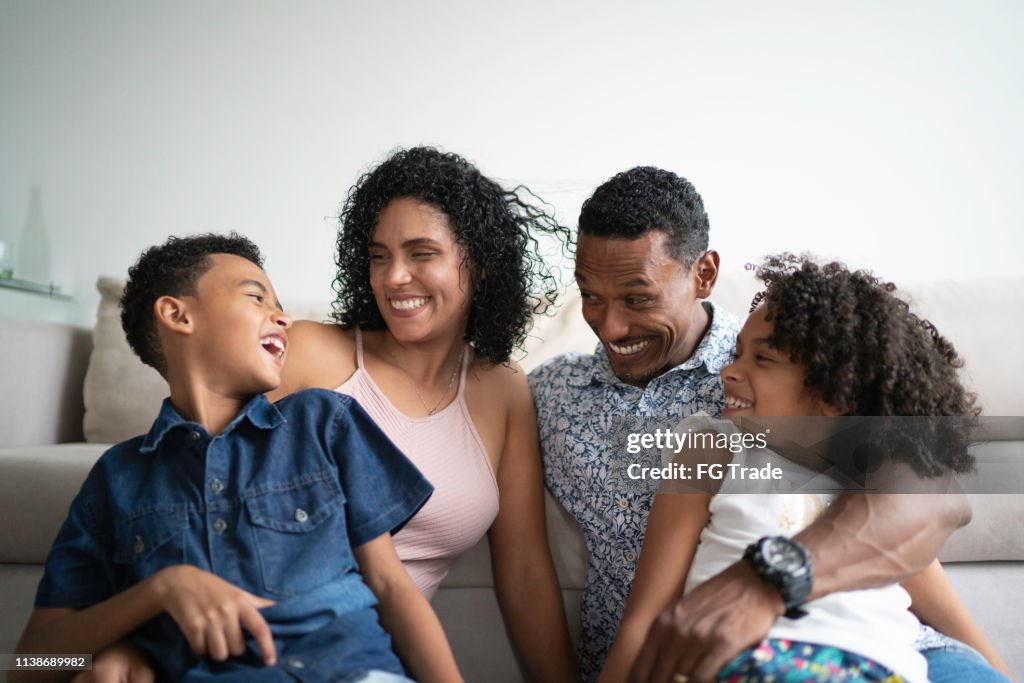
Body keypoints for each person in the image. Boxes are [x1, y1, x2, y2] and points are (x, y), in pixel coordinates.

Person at [529, 166, 1009, 683]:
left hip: (888, 648)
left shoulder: (801, 365)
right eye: (591, 296)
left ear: (704, 274)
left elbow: (919, 501)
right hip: (705, 658)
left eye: (637, 298)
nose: (610, 325)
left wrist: (769, 581)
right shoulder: (552, 394)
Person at [14, 234, 462, 683]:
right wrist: (155, 595)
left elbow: (389, 585)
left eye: (279, 303)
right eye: (256, 296)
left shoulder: (322, 421)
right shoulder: (117, 477)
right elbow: (26, 665)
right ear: (178, 314)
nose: (284, 317)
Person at [271, 147, 579, 681]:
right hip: (262, 646)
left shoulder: (503, 392)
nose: (393, 278)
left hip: (376, 664)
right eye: (378, 256)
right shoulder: (308, 352)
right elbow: (194, 490)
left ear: (479, 265)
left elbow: (526, 572)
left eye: (421, 253)